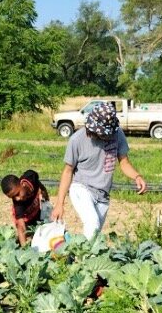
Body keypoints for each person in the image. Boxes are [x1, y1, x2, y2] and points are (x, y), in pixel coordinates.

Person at [51, 102, 147, 239]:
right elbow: (67, 171)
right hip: (81, 188)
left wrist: (137, 176)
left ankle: (76, 254)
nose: (106, 136)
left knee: (93, 236)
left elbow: (124, 162)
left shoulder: (117, 134)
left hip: (103, 194)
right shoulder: (76, 140)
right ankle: (84, 257)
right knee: (92, 223)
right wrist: (59, 204)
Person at [1, 170, 50, 247]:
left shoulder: (30, 177)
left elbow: (36, 179)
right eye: (12, 197)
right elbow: (21, 226)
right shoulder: (18, 204)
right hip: (27, 217)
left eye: (17, 194)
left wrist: (42, 189)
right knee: (27, 235)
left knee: (46, 230)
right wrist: (25, 250)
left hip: (36, 209)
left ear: (23, 184)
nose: (17, 199)